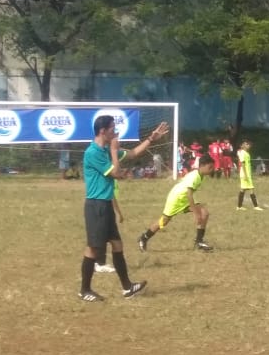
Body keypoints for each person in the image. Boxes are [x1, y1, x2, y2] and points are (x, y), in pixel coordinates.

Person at [78, 116, 169, 302]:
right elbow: (116, 173)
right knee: (93, 249)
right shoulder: (93, 152)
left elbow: (134, 153)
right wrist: (113, 150)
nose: (115, 131)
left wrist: (151, 139)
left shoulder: (105, 150)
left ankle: (127, 287)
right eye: (112, 128)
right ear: (103, 131)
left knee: (117, 244)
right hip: (96, 206)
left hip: (105, 205)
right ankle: (84, 290)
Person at [138, 155, 216, 253]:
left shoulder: (201, 175)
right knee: (164, 221)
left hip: (184, 198)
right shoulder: (195, 176)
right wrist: (196, 214)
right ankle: (144, 238)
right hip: (176, 198)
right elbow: (189, 195)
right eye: (210, 167)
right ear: (202, 166)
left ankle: (199, 242)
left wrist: (198, 213)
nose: (212, 170)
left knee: (204, 213)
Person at [235, 139, 263, 210]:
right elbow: (243, 164)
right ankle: (255, 206)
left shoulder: (246, 153)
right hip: (245, 174)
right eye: (247, 144)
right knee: (251, 189)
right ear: (244, 145)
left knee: (243, 189)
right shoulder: (242, 153)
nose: (249, 146)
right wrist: (245, 175)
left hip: (247, 174)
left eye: (249, 145)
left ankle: (239, 206)